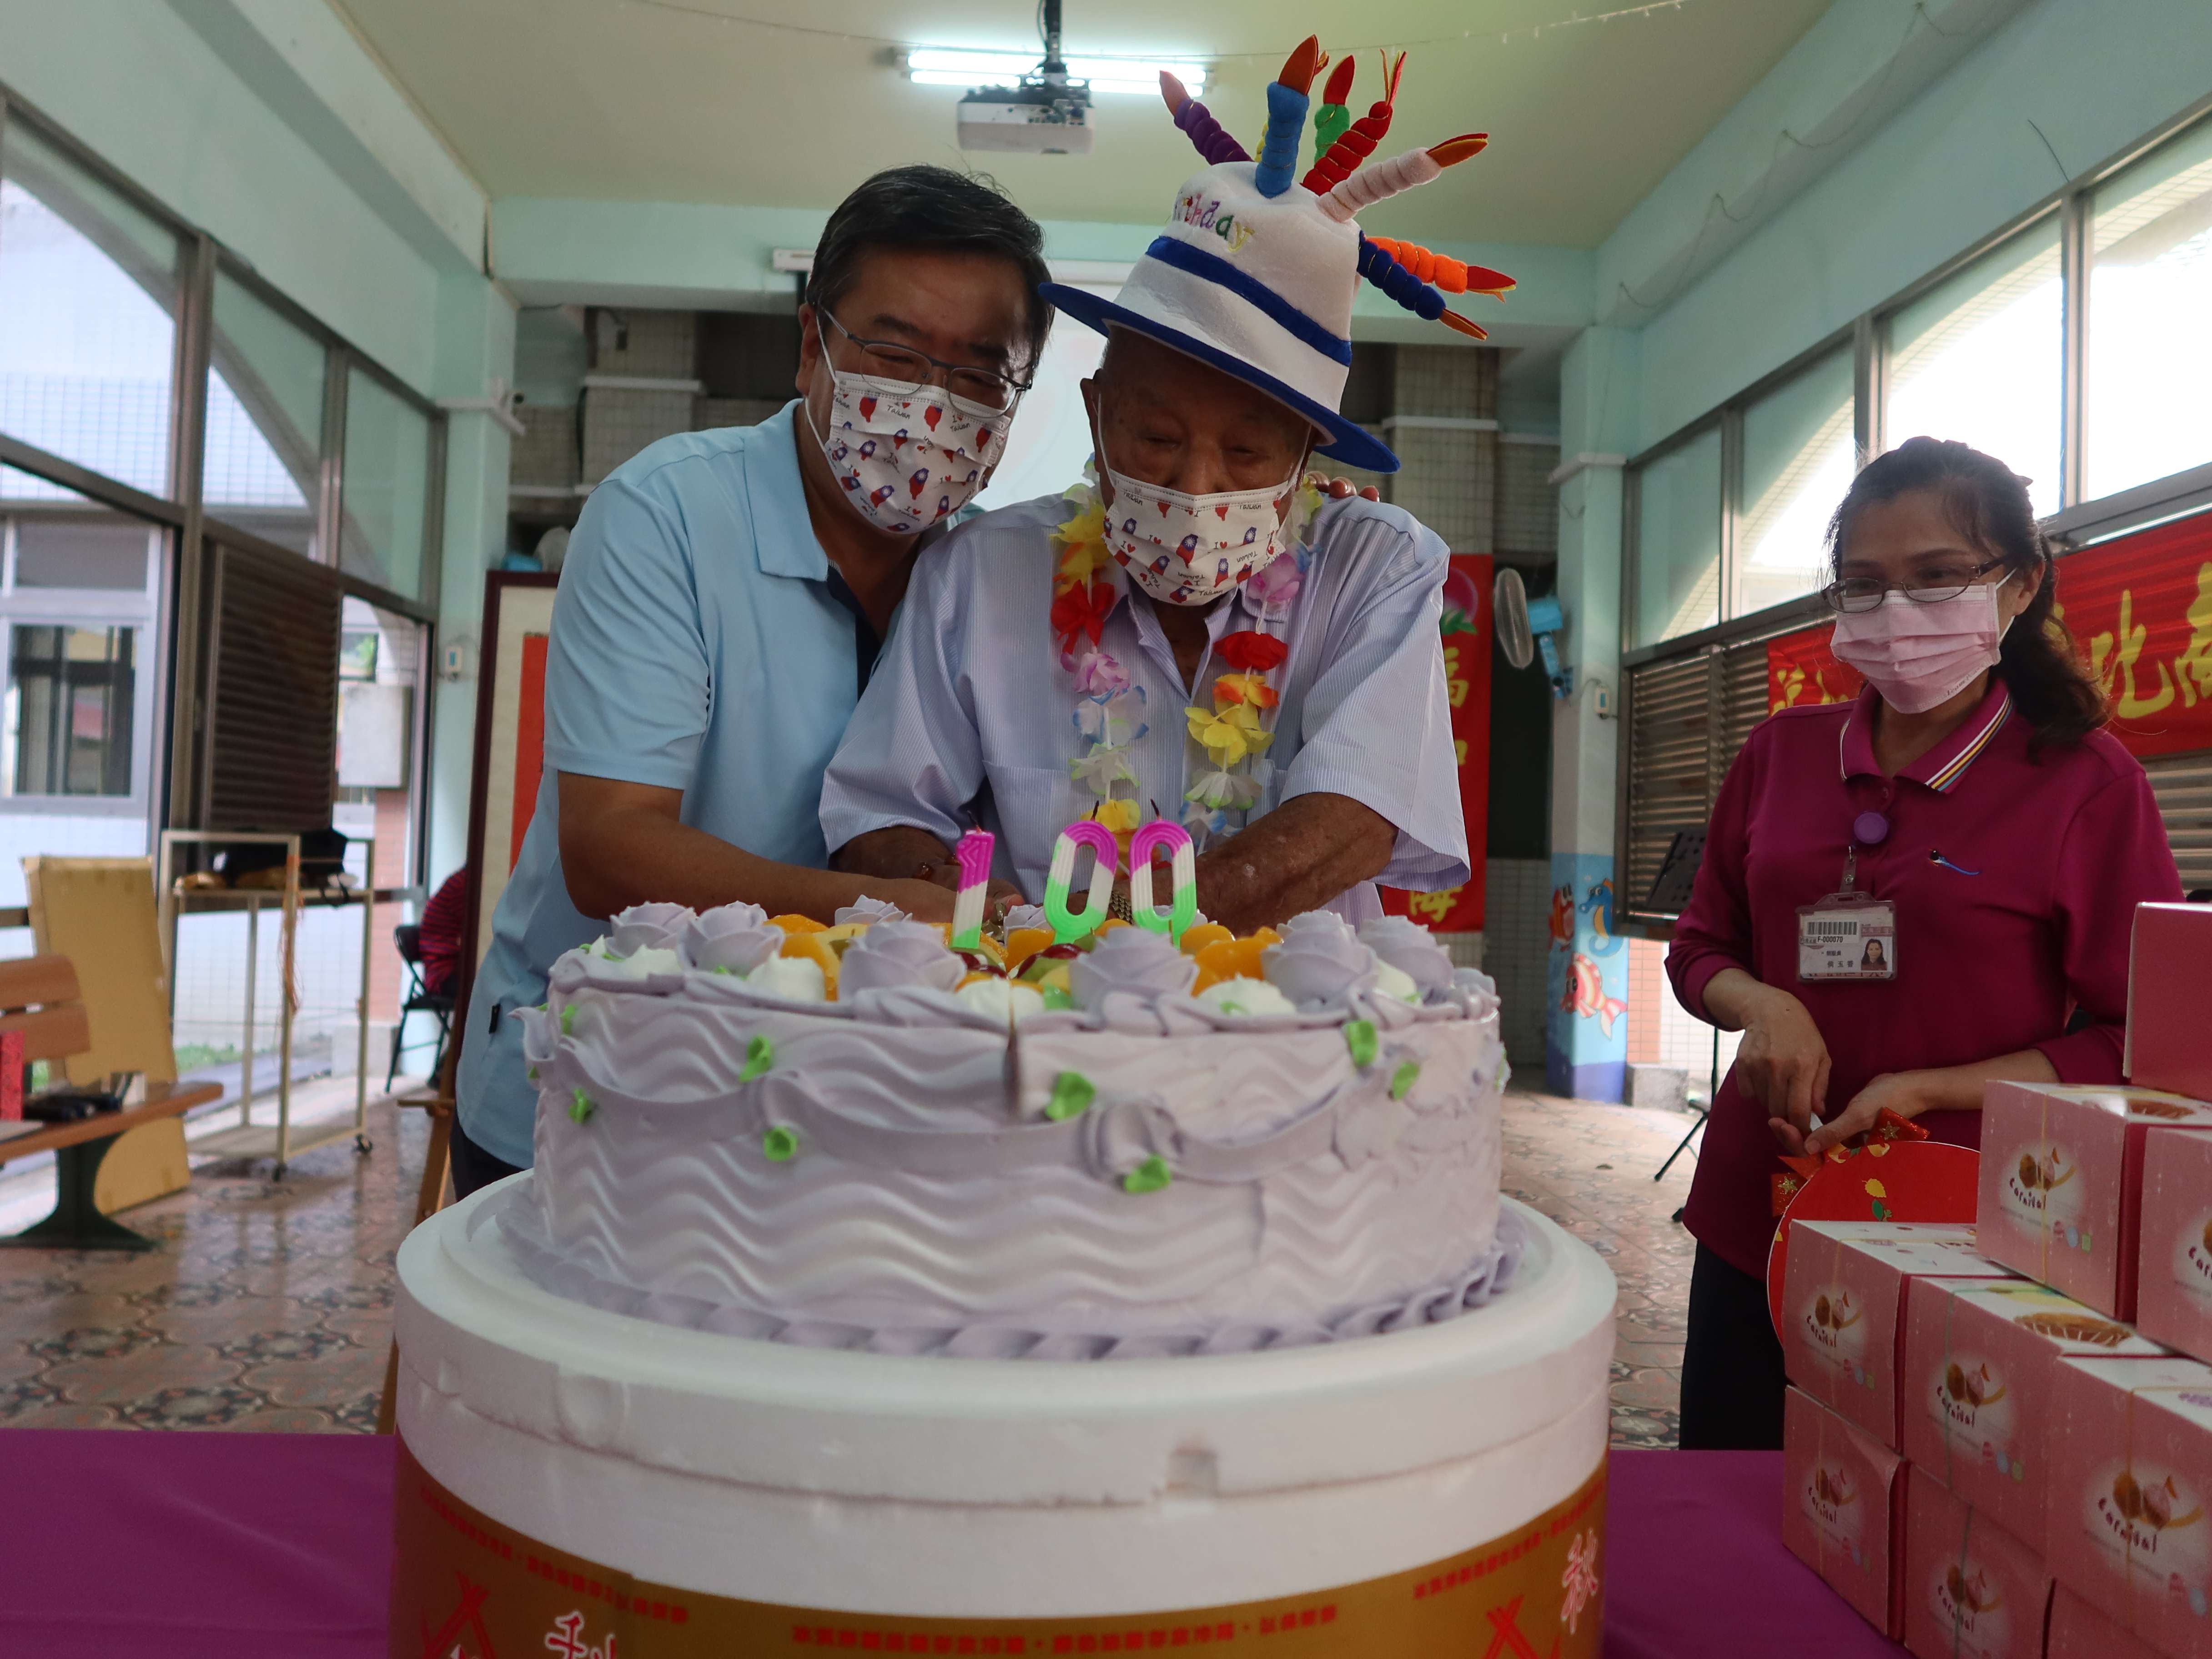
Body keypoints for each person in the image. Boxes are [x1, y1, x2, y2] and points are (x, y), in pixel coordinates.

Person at [450, 166, 1053, 1197]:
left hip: (843, 1105)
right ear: (809, 345)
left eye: (978, 375)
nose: (930, 405)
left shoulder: (991, 580)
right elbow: (609, 849)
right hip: (601, 1092)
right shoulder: (668, 517)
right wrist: (888, 909)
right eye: (894, 352)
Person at [819, 72, 1483, 929]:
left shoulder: (1375, 567)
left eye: (1246, 452)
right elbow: (879, 813)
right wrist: (957, 896)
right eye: (1157, 439)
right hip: (1038, 1031)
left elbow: (1356, 819)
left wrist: (1110, 938)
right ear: (1097, 415)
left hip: (1289, 1045)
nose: (1194, 487)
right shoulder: (982, 572)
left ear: (1303, 458)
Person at [1667, 437, 2182, 1450]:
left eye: (1937, 577)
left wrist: (1930, 1087)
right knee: (1730, 1494)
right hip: (1757, 1201)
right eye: (1863, 586)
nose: (1896, 614)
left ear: (2020, 583)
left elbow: (2139, 1043)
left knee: (1918, 1529)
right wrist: (1763, 1004)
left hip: (1960, 1223)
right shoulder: (1780, 753)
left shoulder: (2083, 783)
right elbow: (1701, 947)